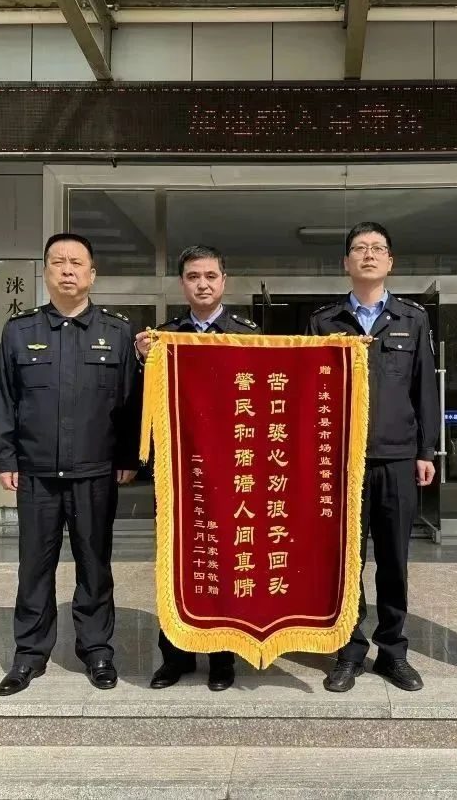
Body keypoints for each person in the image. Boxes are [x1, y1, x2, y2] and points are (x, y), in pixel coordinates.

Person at [0, 232, 141, 696]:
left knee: (95, 565)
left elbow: (131, 402)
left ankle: (97, 650)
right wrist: (5, 456)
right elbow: (4, 399)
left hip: (96, 472)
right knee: (34, 567)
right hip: (37, 473)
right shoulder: (20, 330)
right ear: (45, 272)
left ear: (92, 274)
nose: (68, 270)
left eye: (77, 263)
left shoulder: (117, 332)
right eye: (58, 262)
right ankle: (29, 655)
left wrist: (128, 456)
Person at [307, 222, 439, 693]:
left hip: (397, 458)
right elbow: (309, 393)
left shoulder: (411, 318)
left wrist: (426, 450)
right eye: (359, 249)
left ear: (390, 261)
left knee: (394, 560)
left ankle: (393, 652)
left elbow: (425, 389)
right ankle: (349, 650)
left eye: (377, 248)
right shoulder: (325, 322)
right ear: (346, 262)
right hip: (342, 463)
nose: (368, 255)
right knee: (347, 561)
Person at [135, 245, 259, 692]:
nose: (202, 284)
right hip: (178, 473)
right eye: (193, 276)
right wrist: (142, 359)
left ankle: (222, 658)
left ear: (224, 280)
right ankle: (175, 656)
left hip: (231, 472)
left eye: (210, 275)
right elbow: (141, 401)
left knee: (224, 559)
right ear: (182, 283)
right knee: (176, 560)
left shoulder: (247, 334)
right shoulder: (164, 336)